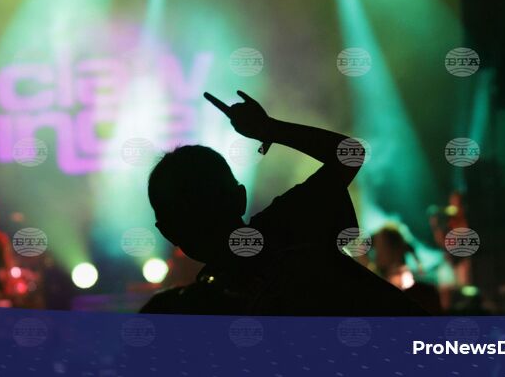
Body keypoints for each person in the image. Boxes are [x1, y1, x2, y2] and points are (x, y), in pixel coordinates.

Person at [142, 90, 424, 315]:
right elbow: (349, 153)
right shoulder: (290, 222)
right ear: (240, 198)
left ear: (168, 231)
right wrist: (269, 129)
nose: (204, 219)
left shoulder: (181, 315)